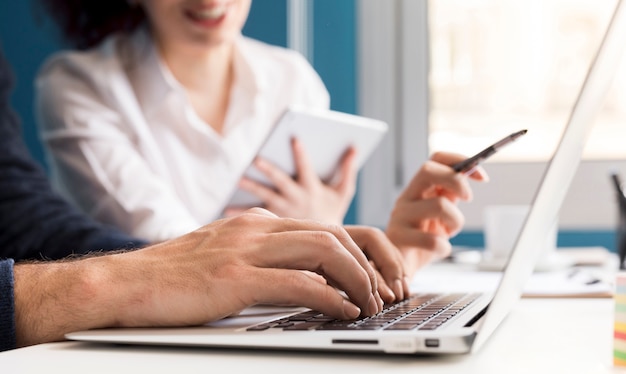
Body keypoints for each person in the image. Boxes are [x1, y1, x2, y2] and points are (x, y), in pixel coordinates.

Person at [0, 42, 486, 352]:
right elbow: (182, 258)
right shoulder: (82, 83)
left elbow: (25, 215)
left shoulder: (289, 75)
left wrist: (370, 260)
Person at [34, 0, 359, 242]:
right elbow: (174, 252)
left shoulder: (293, 79)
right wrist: (314, 232)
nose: (209, 1)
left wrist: (325, 227)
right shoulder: (78, 86)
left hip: (282, 316)